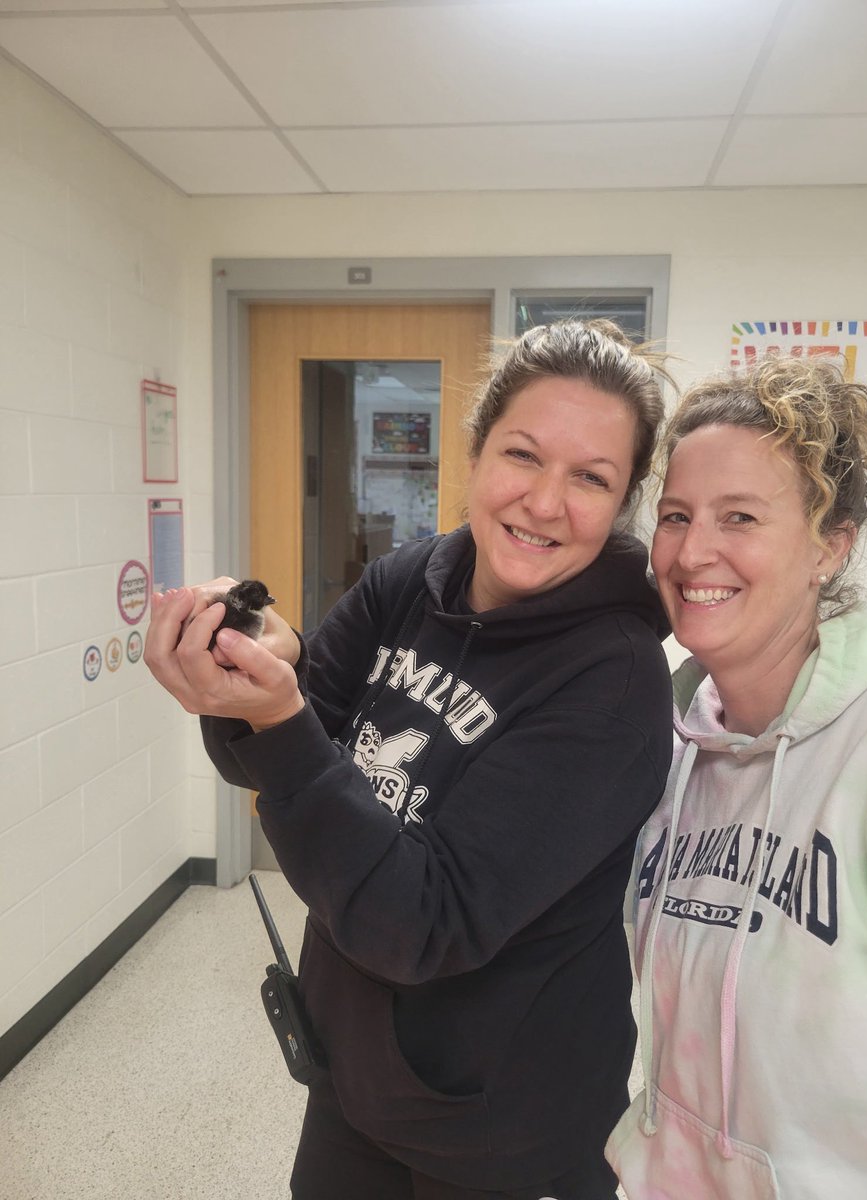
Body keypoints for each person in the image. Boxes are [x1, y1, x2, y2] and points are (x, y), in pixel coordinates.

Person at [144, 319, 675, 1200]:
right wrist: (256, 672)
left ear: (622, 503)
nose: (546, 502)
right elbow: (280, 756)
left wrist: (279, 717)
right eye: (523, 455)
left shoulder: (614, 682)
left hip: (502, 1124)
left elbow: (424, 923)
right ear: (475, 451)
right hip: (354, 1076)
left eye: (591, 477)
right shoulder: (411, 580)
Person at [606, 354, 867, 1199]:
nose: (693, 551)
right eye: (676, 516)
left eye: (739, 517)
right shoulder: (661, 740)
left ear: (830, 546)